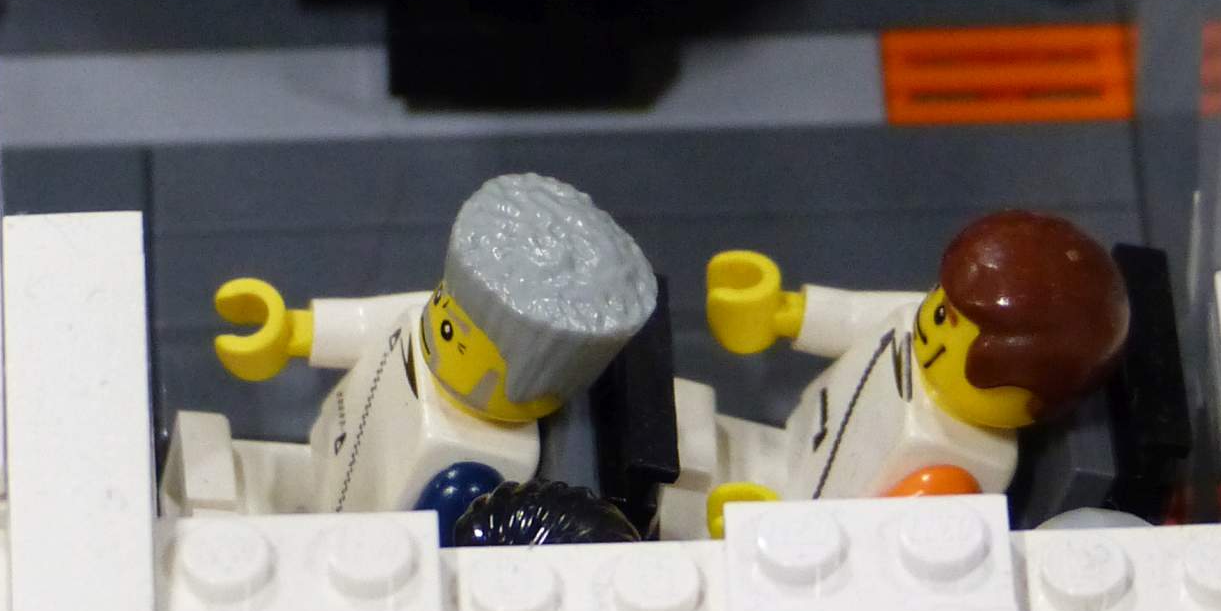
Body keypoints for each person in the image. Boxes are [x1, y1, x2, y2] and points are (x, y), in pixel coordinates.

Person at [211, 170, 658, 516]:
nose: (437, 318)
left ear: (524, 378)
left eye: (452, 333)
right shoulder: (427, 320)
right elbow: (368, 323)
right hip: (320, 459)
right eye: (443, 301)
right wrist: (291, 332)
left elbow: (430, 542)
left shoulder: (482, 464)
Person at [683, 210, 1130, 511]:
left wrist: (777, 529)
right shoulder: (914, 324)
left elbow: (879, 537)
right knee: (683, 421)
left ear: (1016, 379)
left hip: (797, 511)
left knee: (679, 510)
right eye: (940, 306)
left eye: (953, 324)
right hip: (784, 445)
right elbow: (853, 316)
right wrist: (779, 313)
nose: (931, 325)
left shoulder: (958, 466)